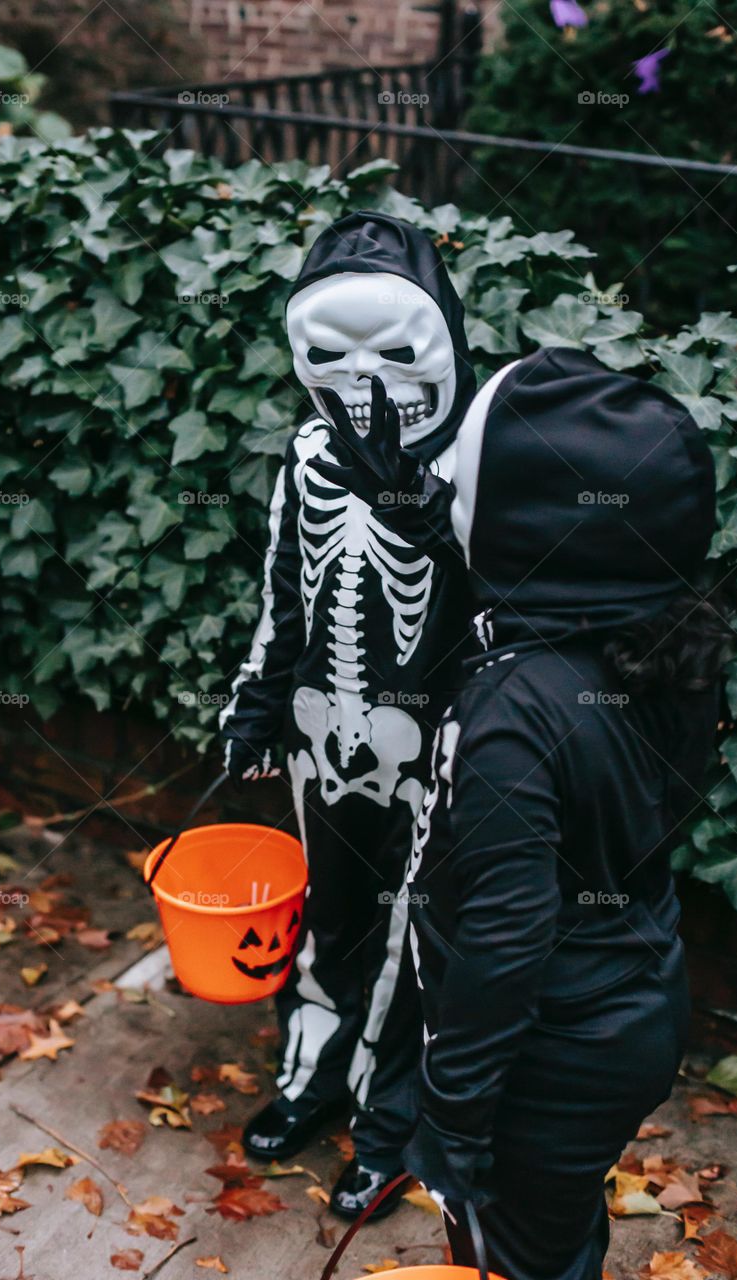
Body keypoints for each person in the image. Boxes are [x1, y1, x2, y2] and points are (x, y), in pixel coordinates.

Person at [315, 346, 724, 1277]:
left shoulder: (510, 718)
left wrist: (449, 1122)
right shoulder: (652, 633)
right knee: (558, 1223)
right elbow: (533, 604)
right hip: (628, 1003)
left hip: (541, 1062)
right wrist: (420, 519)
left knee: (516, 1257)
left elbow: (507, 934)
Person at [219, 211, 480, 1218]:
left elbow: (524, 608)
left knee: (415, 939)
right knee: (334, 923)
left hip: (438, 755)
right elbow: (285, 592)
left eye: (394, 348)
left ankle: (387, 1124)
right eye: (331, 352)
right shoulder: (309, 452)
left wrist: (434, 523)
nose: (366, 378)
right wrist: (256, 703)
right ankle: (313, 1075)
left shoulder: (475, 454)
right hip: (323, 734)